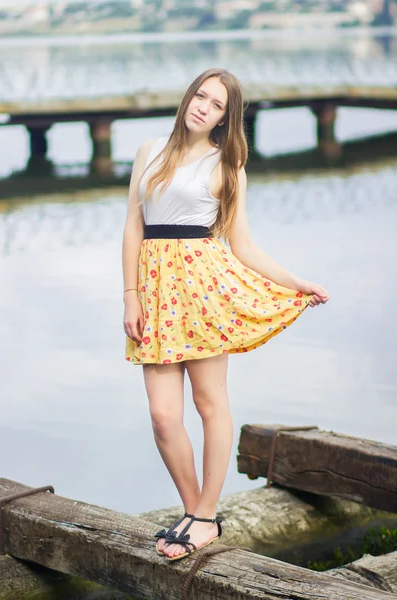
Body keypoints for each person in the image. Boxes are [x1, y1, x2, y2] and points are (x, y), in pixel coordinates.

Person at [122, 68, 330, 562]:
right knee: (162, 415)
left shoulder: (228, 163)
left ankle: (204, 515)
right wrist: (130, 295)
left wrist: (295, 281)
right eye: (200, 95)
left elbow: (243, 245)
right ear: (188, 97)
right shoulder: (149, 150)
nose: (202, 107)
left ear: (224, 117)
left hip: (203, 290)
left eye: (215, 104)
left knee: (209, 404)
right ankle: (195, 510)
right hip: (154, 292)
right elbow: (133, 226)